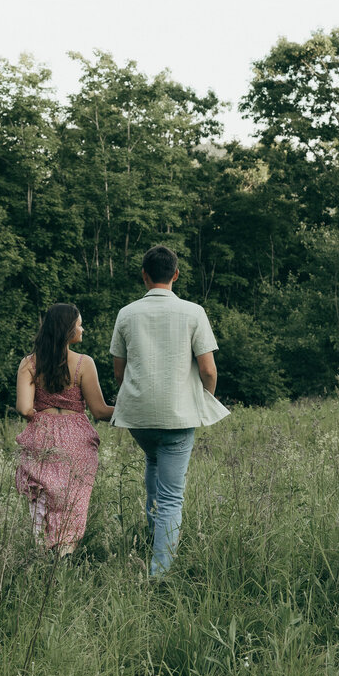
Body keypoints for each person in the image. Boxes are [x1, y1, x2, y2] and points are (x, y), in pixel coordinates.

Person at [110, 245, 228, 577]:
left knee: (153, 464)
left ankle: (153, 538)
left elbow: (119, 373)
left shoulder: (126, 313)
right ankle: (159, 574)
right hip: (178, 415)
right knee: (172, 496)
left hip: (138, 416)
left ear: (144, 276)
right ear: (176, 274)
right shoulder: (194, 312)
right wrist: (204, 400)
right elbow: (208, 370)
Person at [14, 304, 115, 556]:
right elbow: (100, 411)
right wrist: (133, 411)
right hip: (77, 441)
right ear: (68, 329)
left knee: (42, 498)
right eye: (79, 324)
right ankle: (64, 555)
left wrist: (42, 418)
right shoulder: (84, 364)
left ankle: (40, 551)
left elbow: (24, 408)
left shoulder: (29, 363)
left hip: (43, 437)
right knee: (73, 500)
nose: (82, 328)